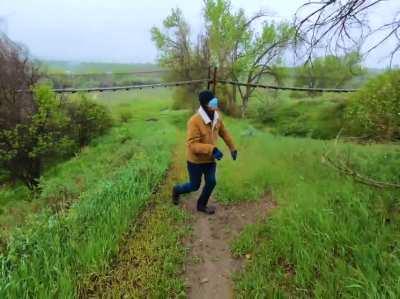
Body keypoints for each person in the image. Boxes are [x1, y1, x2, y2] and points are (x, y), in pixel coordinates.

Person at [172, 90, 237, 214]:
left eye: (214, 99)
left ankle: (201, 205)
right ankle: (176, 190)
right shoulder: (194, 121)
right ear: (205, 105)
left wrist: (232, 148)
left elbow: (224, 133)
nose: (215, 102)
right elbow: (192, 145)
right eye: (212, 101)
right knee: (194, 186)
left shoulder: (217, 116)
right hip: (195, 161)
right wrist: (212, 149)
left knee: (211, 182)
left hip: (210, 160)